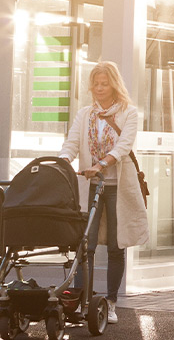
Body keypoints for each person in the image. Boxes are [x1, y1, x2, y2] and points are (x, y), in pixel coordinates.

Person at [59, 61, 149, 325]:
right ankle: (79, 300)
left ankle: (110, 302)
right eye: (95, 84)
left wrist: (100, 164)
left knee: (115, 245)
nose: (99, 88)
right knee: (85, 244)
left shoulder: (128, 113)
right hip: (91, 186)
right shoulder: (85, 114)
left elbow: (123, 146)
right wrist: (64, 160)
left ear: (114, 84)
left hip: (117, 187)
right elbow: (72, 142)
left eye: (104, 83)